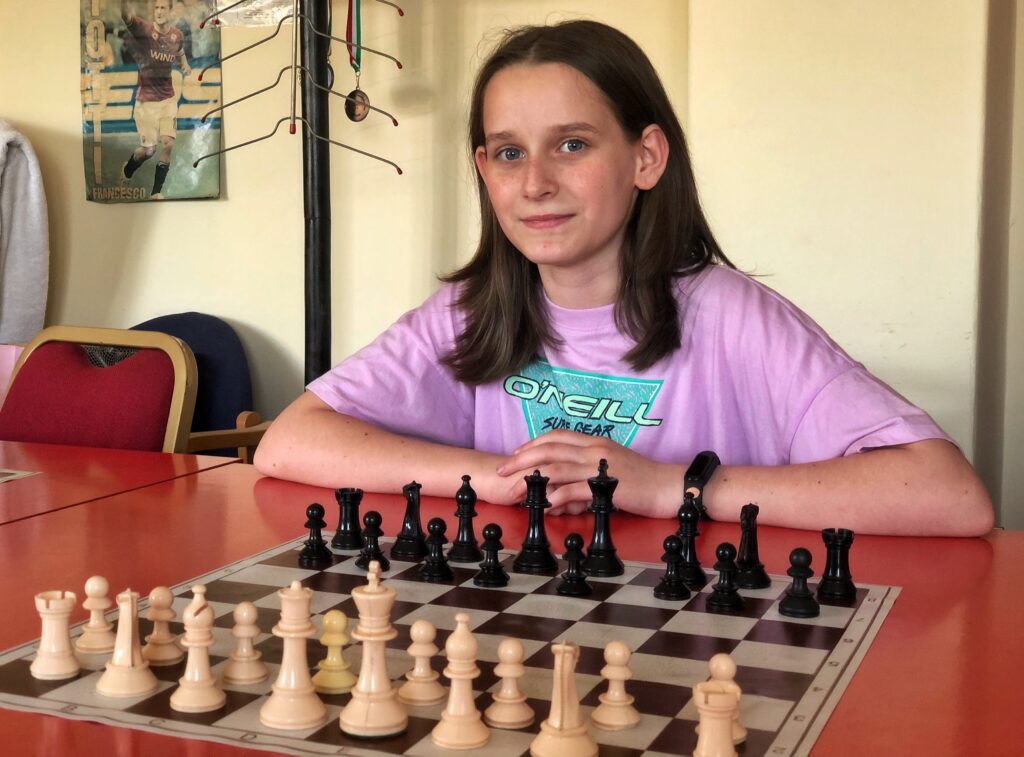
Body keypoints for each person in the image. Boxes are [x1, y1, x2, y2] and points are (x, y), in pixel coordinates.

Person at [254, 20, 993, 538]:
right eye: (509, 153)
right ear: (484, 170)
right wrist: (507, 478)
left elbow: (951, 496)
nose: (535, 183)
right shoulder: (467, 311)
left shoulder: (733, 314)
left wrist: (671, 485)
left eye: (572, 144)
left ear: (646, 158)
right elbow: (288, 442)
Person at [118, 0, 191, 200]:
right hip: (146, 102)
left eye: (163, 8)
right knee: (148, 151)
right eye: (156, 8)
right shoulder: (144, 28)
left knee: (168, 144)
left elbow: (180, 51)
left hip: (168, 99)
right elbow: (126, 18)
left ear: (170, 11)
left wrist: (184, 64)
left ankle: (156, 192)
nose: (159, 12)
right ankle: (128, 170)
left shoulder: (177, 35)